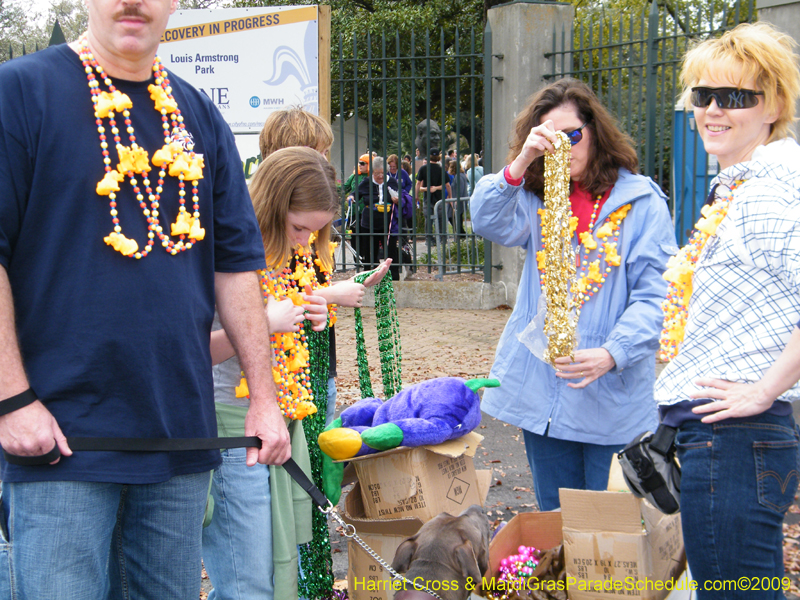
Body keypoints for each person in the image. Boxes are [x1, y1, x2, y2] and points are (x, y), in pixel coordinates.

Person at [0, 0, 289, 598]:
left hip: (179, 440)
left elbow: (235, 266)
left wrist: (264, 398)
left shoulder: (198, 114)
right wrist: (12, 399)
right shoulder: (20, 92)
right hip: (58, 441)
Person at [205, 113, 390, 600]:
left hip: (278, 419)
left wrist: (315, 309)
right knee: (249, 582)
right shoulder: (221, 253)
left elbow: (289, 316)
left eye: (316, 231)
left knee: (274, 568)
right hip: (228, 425)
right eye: (299, 228)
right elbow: (191, 352)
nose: (307, 240)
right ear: (271, 206)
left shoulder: (292, 252)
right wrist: (263, 323)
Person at [470, 78, 676, 511]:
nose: (564, 146)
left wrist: (612, 352)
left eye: (573, 135)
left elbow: (656, 295)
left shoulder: (642, 204)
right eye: (550, 138)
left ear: (595, 132)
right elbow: (487, 220)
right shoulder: (538, 197)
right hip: (543, 395)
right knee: (557, 525)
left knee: (609, 537)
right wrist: (524, 158)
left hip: (610, 394)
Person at [654, 23, 800, 597]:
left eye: (736, 97)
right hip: (722, 434)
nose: (714, 110)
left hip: (738, 435)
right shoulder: (739, 185)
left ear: (774, 107)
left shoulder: (775, 189)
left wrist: (763, 390)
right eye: (703, 95)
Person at [356, 157, 409, 280]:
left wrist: (397, 200)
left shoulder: (392, 182)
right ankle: (369, 275)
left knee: (390, 250)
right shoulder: (366, 182)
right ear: (372, 172)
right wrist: (351, 197)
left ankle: (393, 276)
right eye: (376, 173)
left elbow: (401, 198)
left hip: (388, 221)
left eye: (382, 173)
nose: (380, 176)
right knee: (370, 250)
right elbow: (356, 193)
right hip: (370, 221)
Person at [416, 148, 451, 246]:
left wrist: (416, 196)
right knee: (440, 219)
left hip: (428, 198)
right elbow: (447, 185)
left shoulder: (423, 168)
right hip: (439, 198)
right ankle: (441, 238)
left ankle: (429, 239)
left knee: (428, 220)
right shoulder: (441, 169)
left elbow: (418, 183)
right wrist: (450, 196)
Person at [447, 158, 469, 236]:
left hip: (458, 200)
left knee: (453, 216)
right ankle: (460, 233)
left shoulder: (458, 176)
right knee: (457, 217)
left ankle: (460, 233)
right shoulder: (460, 175)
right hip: (459, 200)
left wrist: (455, 200)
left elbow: (459, 189)